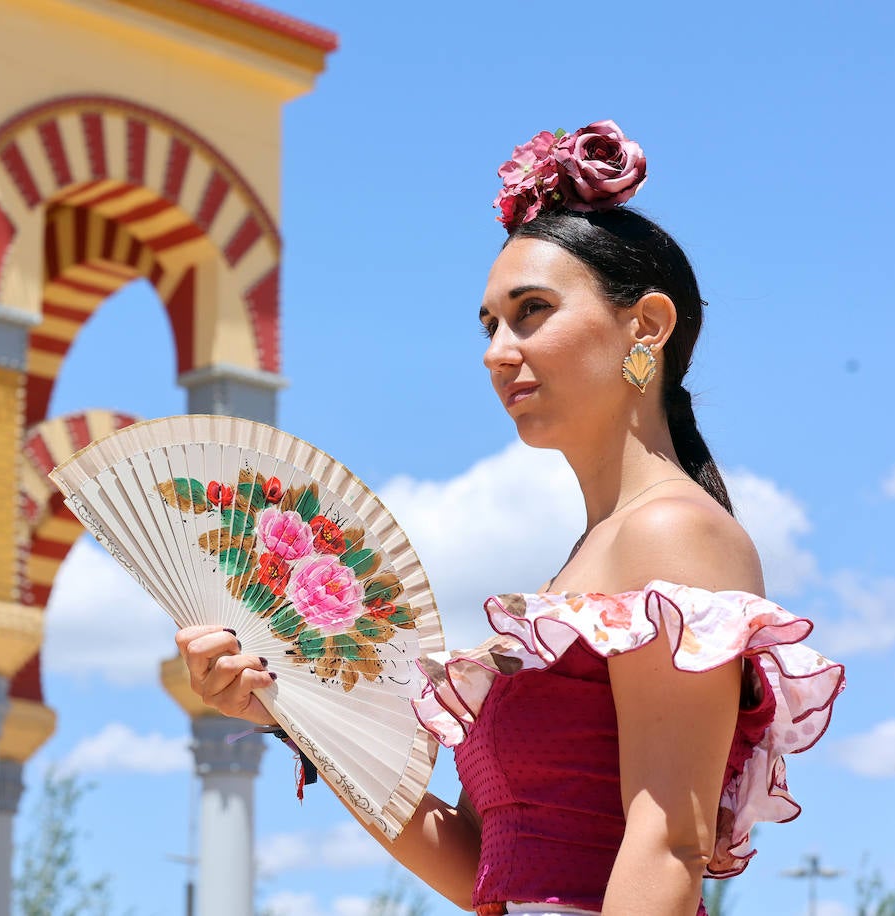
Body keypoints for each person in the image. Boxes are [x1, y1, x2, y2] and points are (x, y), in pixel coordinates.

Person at [173, 120, 846, 916]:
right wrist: (294, 712)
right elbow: (487, 872)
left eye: (531, 312)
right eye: (490, 324)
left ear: (648, 327)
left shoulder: (673, 533)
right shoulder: (580, 570)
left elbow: (668, 846)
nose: (498, 350)